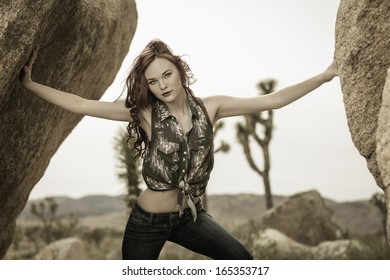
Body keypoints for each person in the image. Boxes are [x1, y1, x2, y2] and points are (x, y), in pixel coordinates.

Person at [20, 39, 338, 260]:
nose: (163, 85)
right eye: (154, 81)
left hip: (189, 217)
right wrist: (30, 85)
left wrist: (325, 76)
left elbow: (273, 100)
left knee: (242, 260)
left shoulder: (212, 108)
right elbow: (79, 104)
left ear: (180, 70)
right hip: (147, 221)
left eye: (167, 74)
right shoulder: (144, 113)